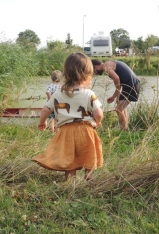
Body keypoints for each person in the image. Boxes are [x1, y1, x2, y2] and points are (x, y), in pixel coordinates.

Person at [33, 53, 104, 181]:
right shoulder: (89, 93)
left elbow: (45, 109)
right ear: (88, 74)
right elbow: (98, 113)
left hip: (66, 131)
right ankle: (89, 175)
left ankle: (70, 181)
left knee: (69, 157)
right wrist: (97, 122)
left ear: (66, 73)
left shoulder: (58, 93)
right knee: (89, 152)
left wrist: (42, 122)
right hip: (86, 130)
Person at [91, 59, 140, 131]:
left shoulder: (106, 67)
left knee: (118, 109)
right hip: (131, 85)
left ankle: (124, 131)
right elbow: (120, 80)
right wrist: (117, 97)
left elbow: (116, 78)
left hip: (131, 85)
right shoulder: (109, 64)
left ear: (95, 67)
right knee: (121, 107)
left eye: (94, 71)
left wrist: (114, 96)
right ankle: (126, 129)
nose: (95, 73)